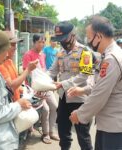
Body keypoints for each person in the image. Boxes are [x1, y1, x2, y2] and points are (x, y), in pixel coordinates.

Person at [69, 15, 122, 150]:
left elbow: (100, 94)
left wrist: (80, 115)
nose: (87, 40)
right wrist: (83, 90)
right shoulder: (109, 55)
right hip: (108, 124)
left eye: (88, 36)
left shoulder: (111, 59)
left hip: (114, 128)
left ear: (98, 36)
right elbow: (101, 84)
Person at [49, 21, 95, 150]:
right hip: (64, 98)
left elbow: (84, 75)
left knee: (83, 136)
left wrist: (62, 84)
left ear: (72, 35)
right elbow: (53, 70)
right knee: (63, 133)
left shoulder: (85, 51)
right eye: (59, 39)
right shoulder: (60, 52)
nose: (61, 42)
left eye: (63, 38)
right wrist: (44, 83)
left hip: (79, 99)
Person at [22, 34, 59, 144]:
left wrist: (49, 84)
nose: (42, 44)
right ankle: (45, 133)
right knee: (46, 109)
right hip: (33, 90)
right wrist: (35, 90)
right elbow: (26, 74)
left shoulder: (42, 55)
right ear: (34, 42)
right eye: (39, 42)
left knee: (55, 106)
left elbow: (43, 72)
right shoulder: (28, 55)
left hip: (44, 87)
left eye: (43, 42)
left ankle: (52, 131)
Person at [0, 31, 38, 101]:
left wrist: (25, 90)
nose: (15, 48)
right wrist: (28, 70)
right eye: (12, 45)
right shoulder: (0, 65)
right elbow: (11, 86)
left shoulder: (9, 61)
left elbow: (15, 81)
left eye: (15, 44)